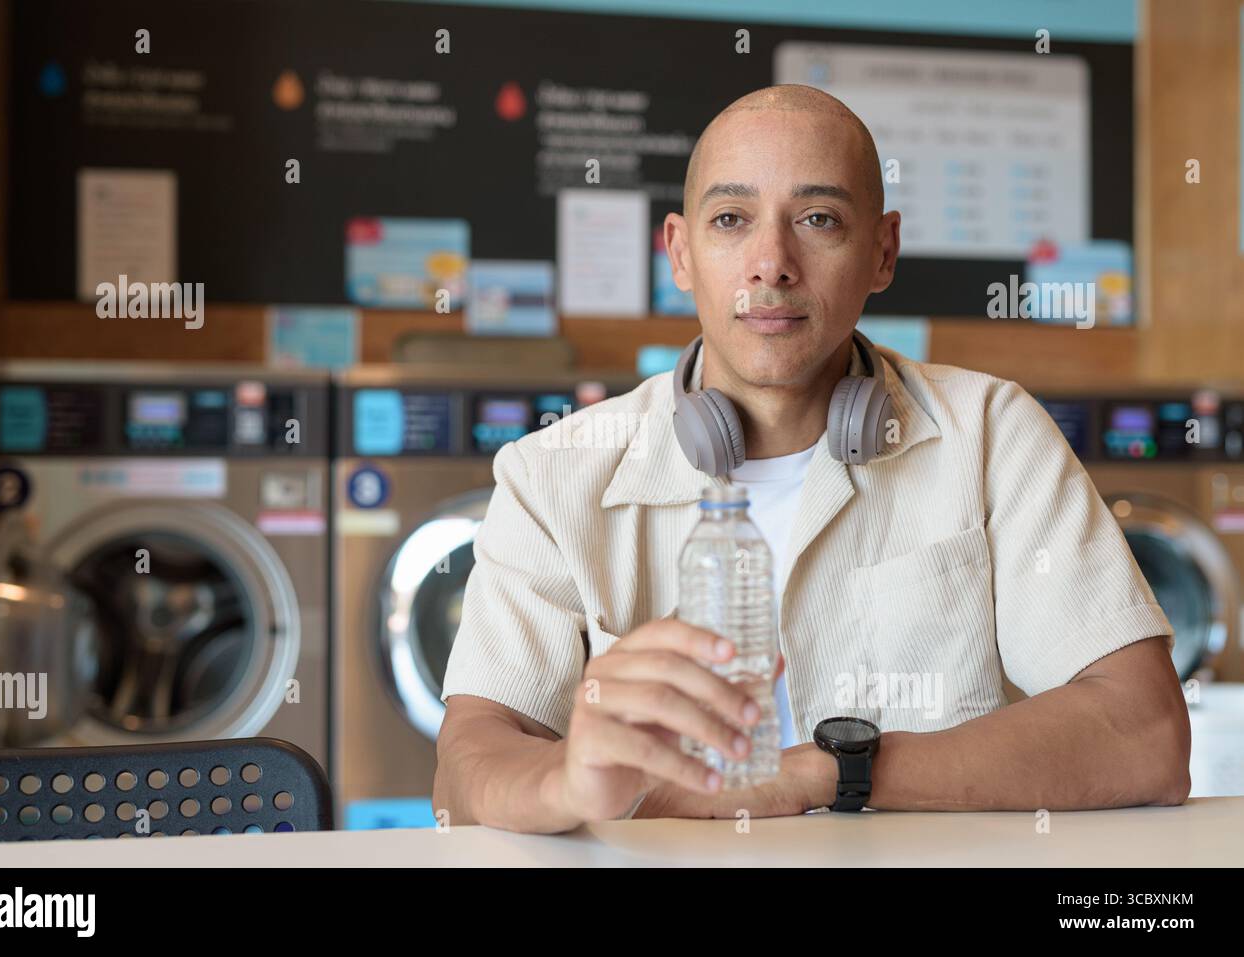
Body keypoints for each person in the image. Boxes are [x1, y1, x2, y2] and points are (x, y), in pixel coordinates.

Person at [433, 85, 1189, 834]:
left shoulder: (992, 434)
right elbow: (468, 767)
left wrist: (822, 773)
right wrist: (570, 783)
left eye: (819, 219)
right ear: (681, 252)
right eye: (731, 219)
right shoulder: (550, 475)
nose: (772, 263)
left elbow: (1146, 736)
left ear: (882, 251)